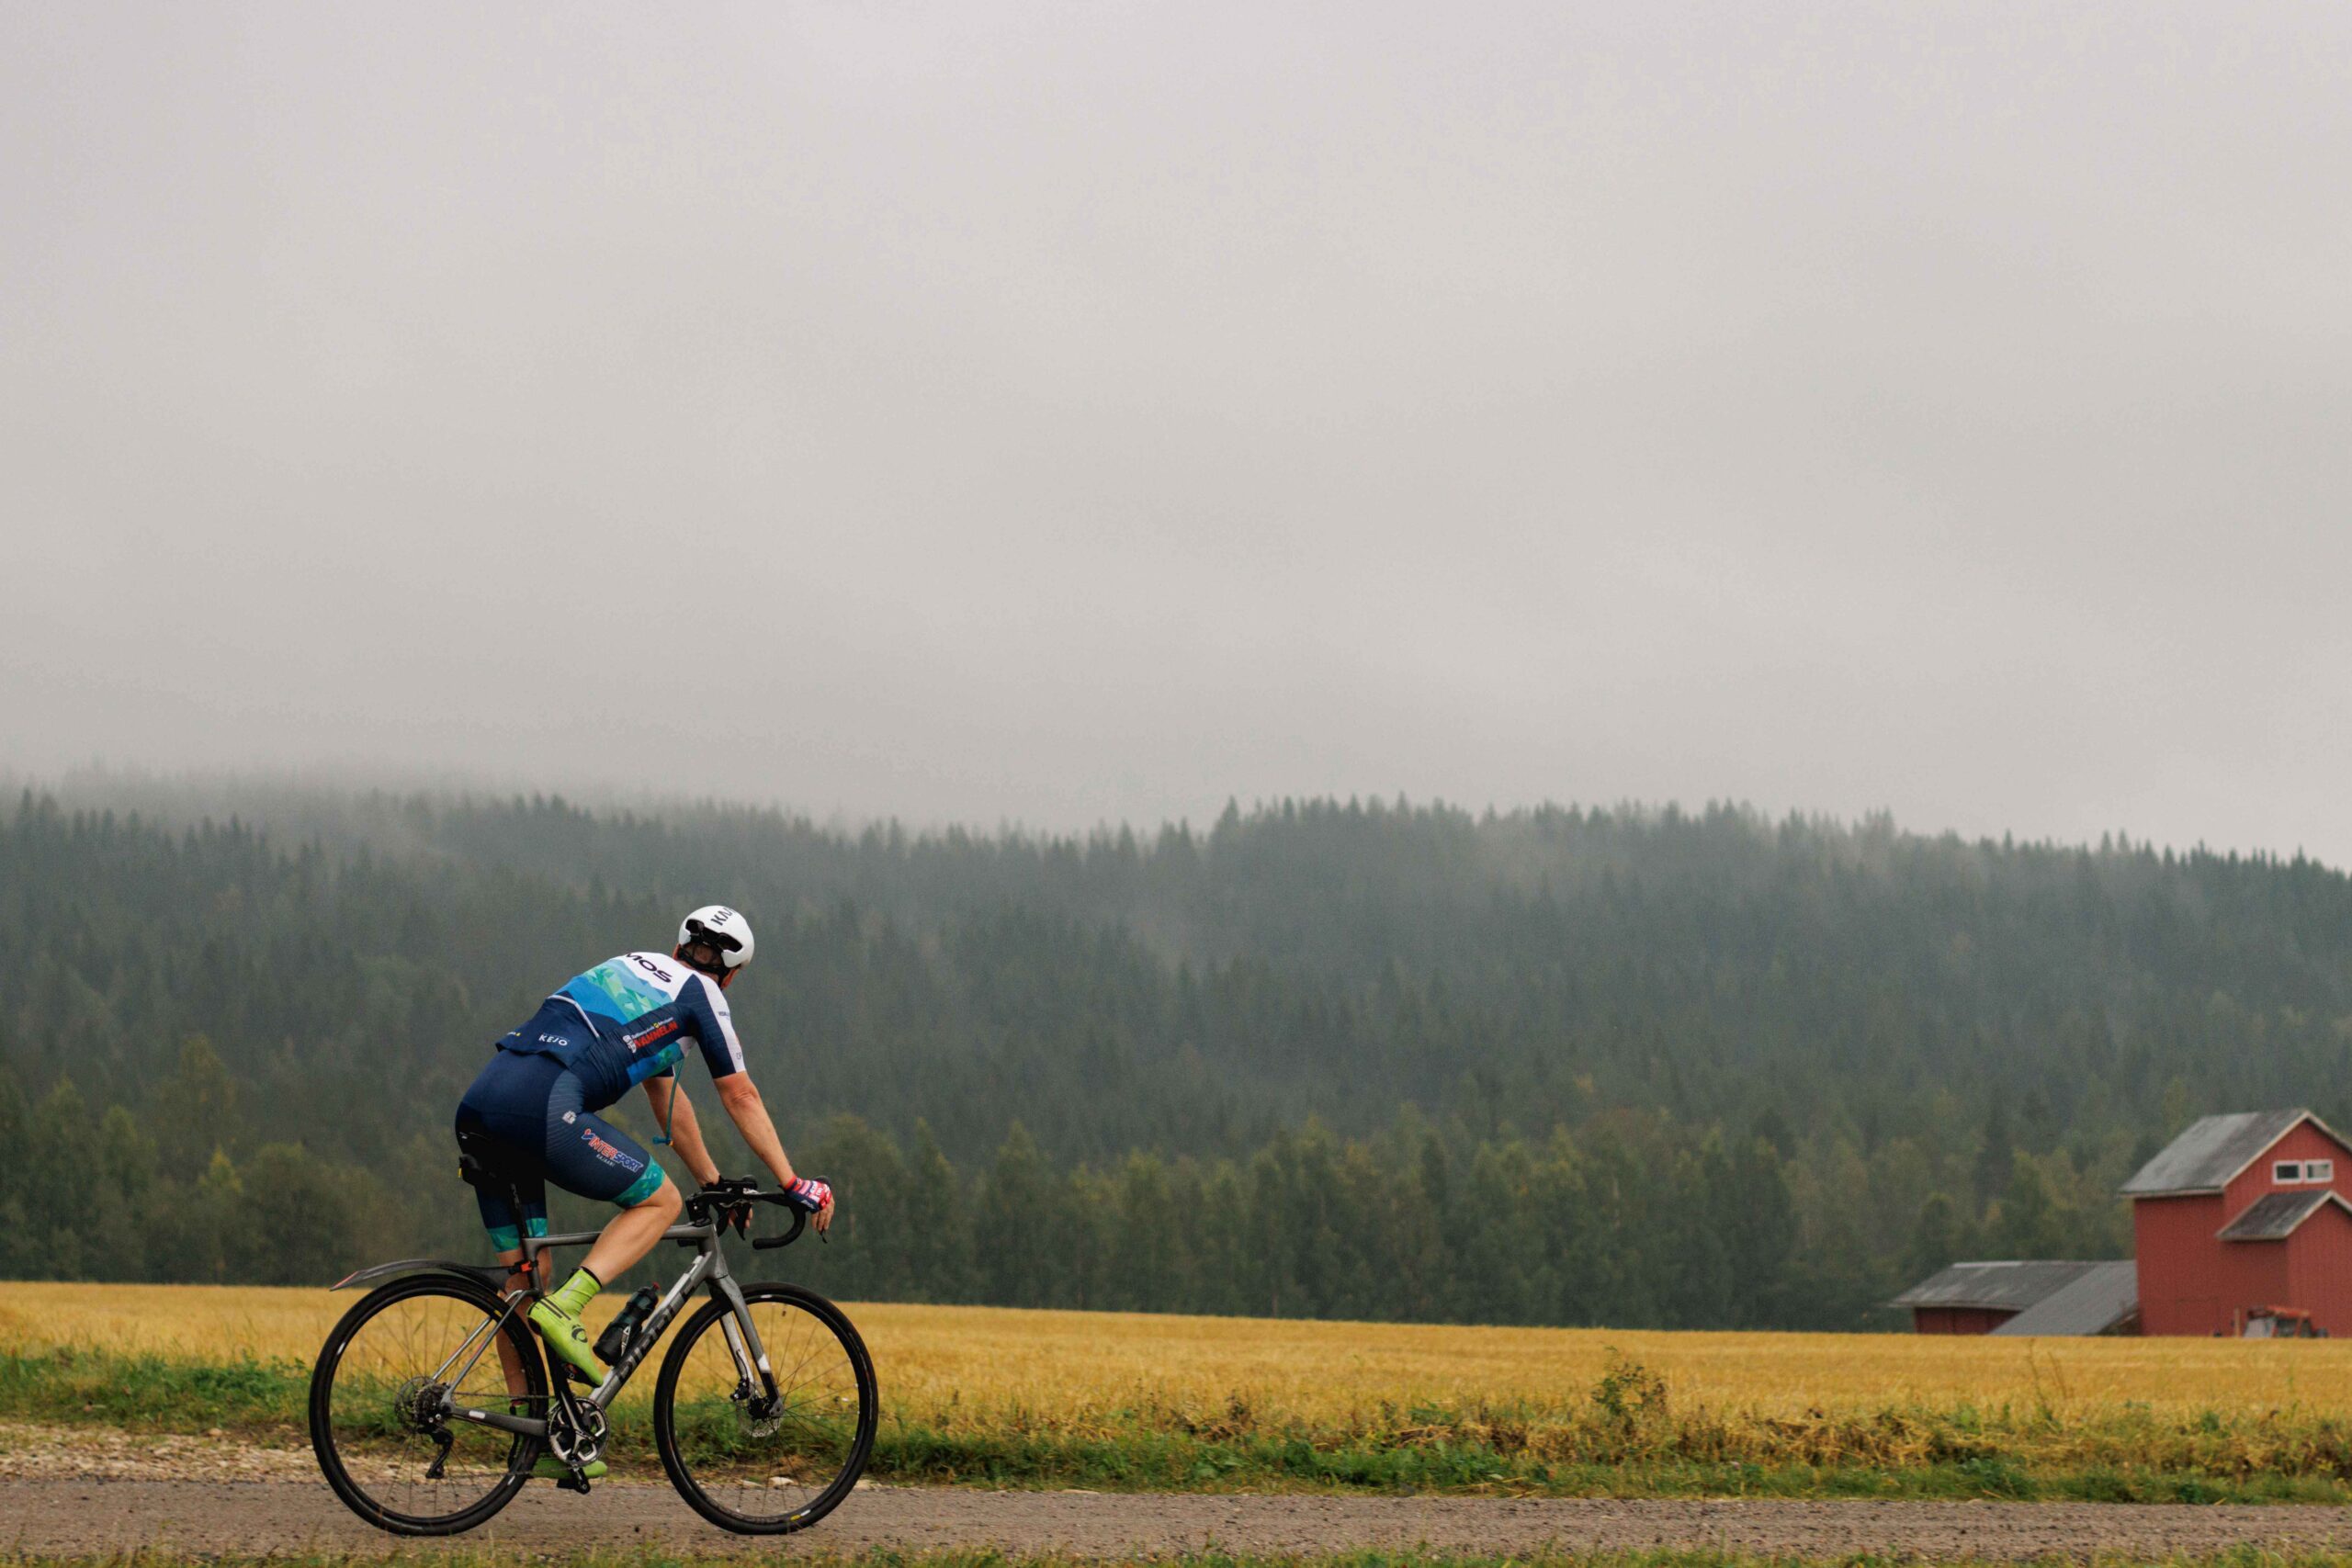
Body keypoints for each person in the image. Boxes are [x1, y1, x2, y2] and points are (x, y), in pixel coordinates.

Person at [453, 905, 832, 1481]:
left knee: (524, 1284)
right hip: (544, 1110)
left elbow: (667, 1101)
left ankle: (532, 1438)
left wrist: (712, 1180)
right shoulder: (703, 996)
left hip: (483, 1103)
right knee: (661, 1203)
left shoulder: (632, 969)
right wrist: (792, 1180)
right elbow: (741, 1095)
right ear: (733, 973)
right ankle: (570, 1308)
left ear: (679, 944)